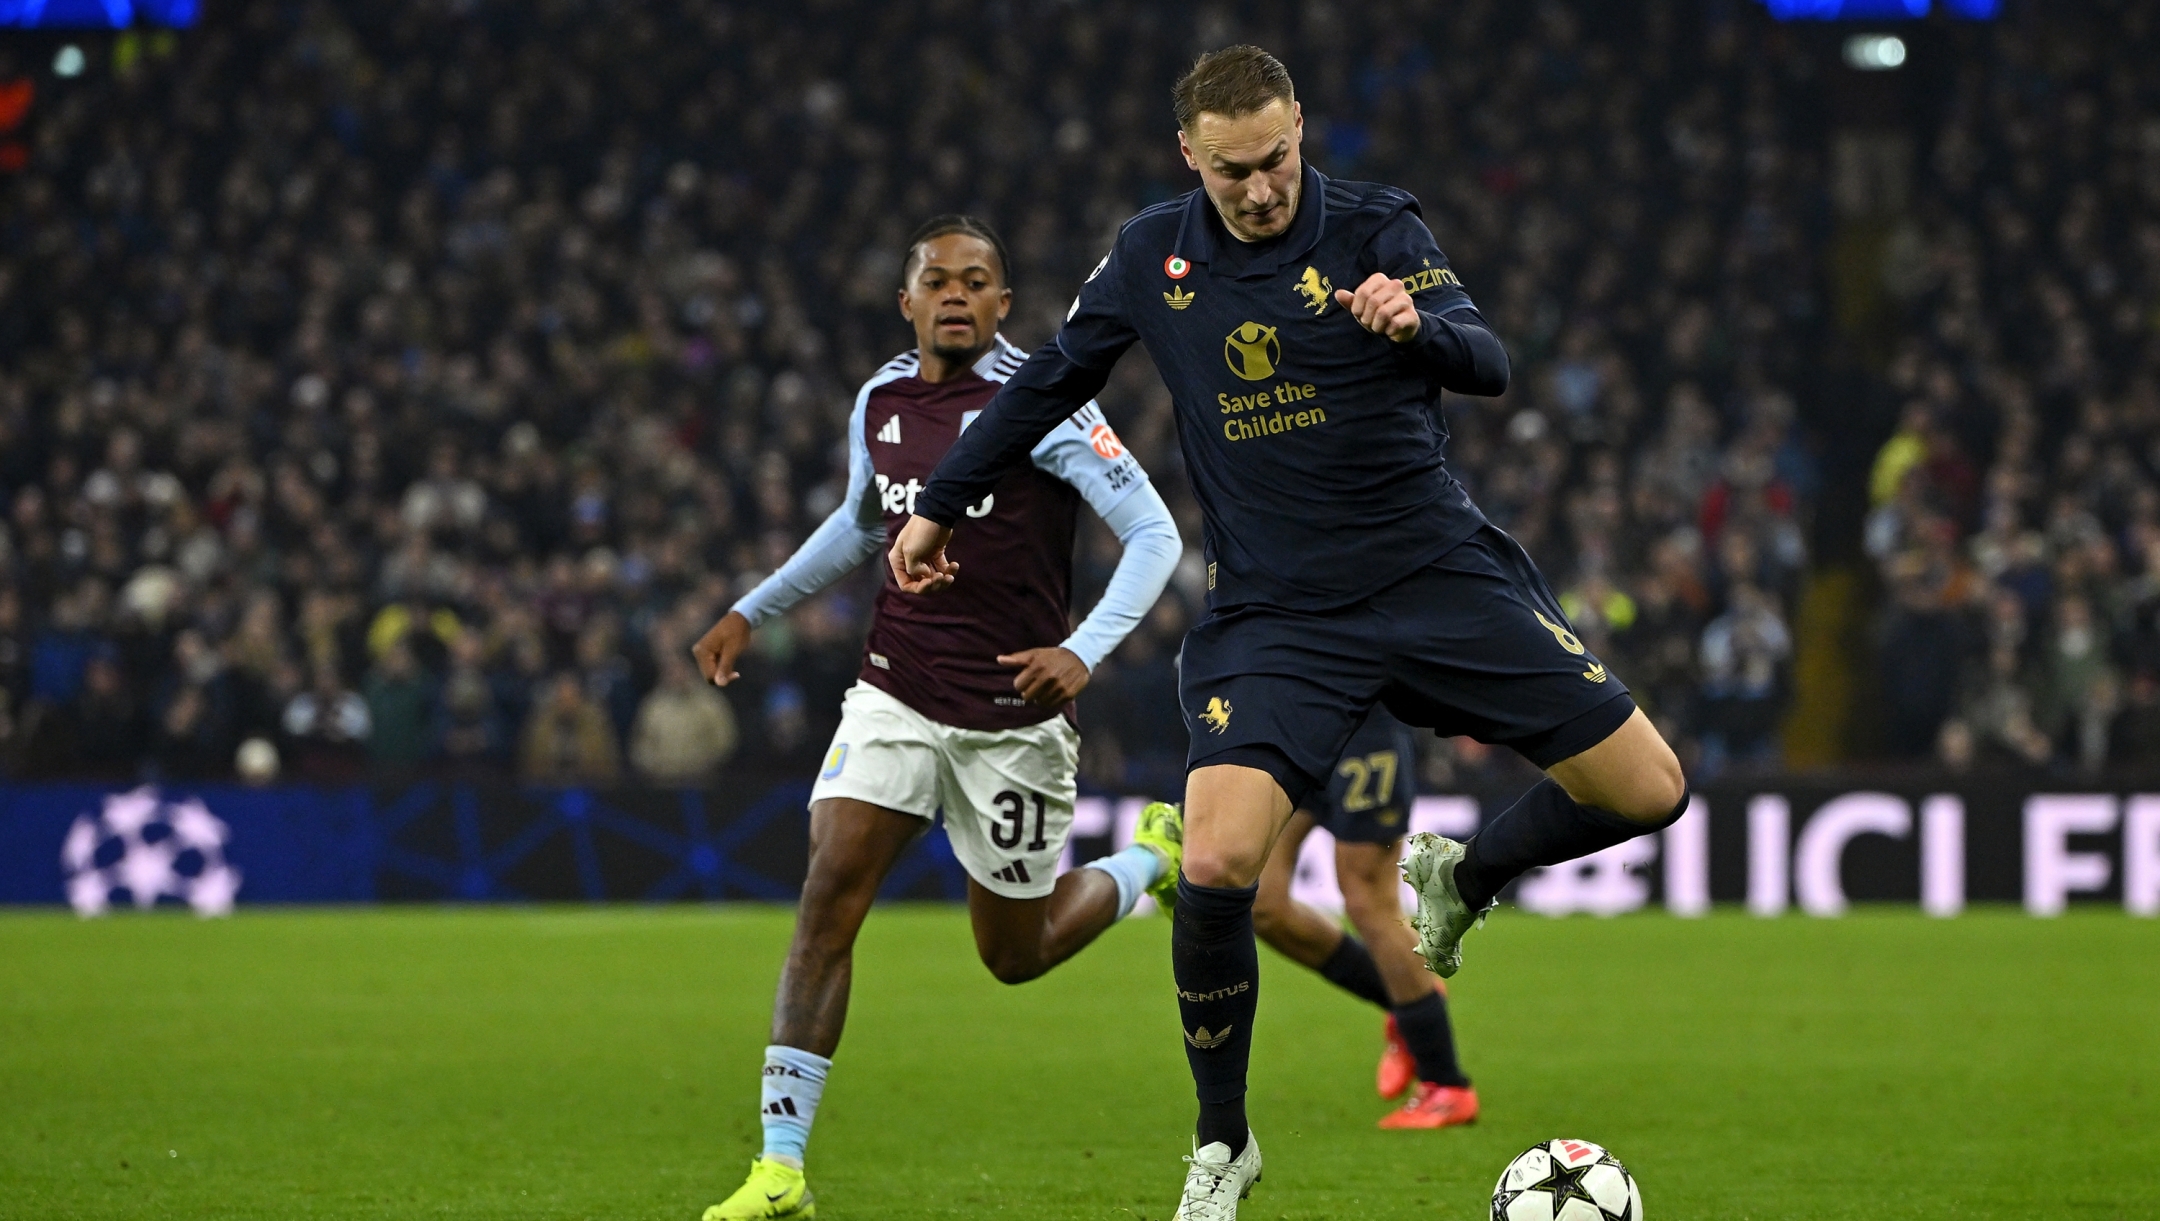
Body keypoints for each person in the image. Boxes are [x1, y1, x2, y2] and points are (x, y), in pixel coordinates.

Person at [890, 48, 1687, 1218]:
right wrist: (941, 501)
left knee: (1650, 789)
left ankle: (1465, 879)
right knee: (1214, 866)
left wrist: (1413, 324)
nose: (1261, 190)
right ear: (1189, 158)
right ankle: (1224, 1145)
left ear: (1300, 129)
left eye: (1275, 161)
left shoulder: (1378, 228)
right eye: (1232, 172)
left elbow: (1491, 364)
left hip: (1435, 574)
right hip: (1280, 616)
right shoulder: (1148, 258)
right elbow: (1045, 383)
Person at [688, 214, 1186, 1221]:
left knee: (1016, 953)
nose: (956, 295)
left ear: (1004, 304)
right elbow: (858, 523)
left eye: (978, 281)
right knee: (830, 889)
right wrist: (754, 606)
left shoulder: (1046, 400)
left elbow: (1153, 533)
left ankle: (1147, 864)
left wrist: (1081, 652)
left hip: (1014, 720)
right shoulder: (881, 399)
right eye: (937, 281)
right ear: (907, 302)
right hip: (896, 692)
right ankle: (781, 1169)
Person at [1247, 707, 1477, 1130]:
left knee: (1368, 899)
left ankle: (1447, 1086)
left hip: (1360, 727)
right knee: (1262, 902)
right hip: (1292, 730)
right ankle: (1410, 1000)